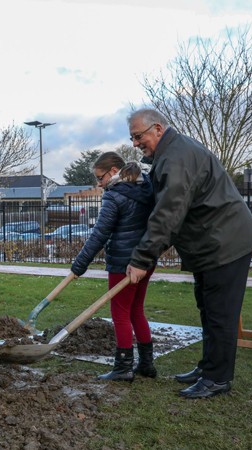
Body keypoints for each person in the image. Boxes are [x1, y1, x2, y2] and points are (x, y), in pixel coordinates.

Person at [125, 108, 252, 399]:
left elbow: (168, 213)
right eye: (133, 138)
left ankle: (217, 378)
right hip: (211, 242)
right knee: (207, 308)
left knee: (220, 315)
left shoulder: (177, 158)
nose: (136, 144)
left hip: (225, 242)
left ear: (158, 129)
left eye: (139, 136)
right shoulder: (169, 154)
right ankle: (208, 366)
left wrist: (141, 259)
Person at [71, 152, 156, 382]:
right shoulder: (146, 187)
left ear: (113, 171)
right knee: (136, 309)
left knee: (120, 312)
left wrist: (79, 265)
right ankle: (147, 363)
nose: (99, 184)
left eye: (100, 178)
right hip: (145, 259)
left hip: (123, 262)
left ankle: (123, 367)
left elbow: (100, 234)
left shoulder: (114, 195)